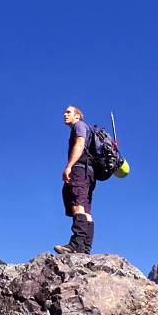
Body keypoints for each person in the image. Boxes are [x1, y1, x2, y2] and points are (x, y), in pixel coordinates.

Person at [54, 105, 95, 254]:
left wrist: (69, 166)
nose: (65, 114)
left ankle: (75, 245)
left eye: (68, 112)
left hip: (80, 170)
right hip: (90, 173)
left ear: (77, 116)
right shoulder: (86, 128)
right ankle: (85, 249)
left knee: (77, 205)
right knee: (86, 210)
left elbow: (79, 144)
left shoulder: (79, 126)